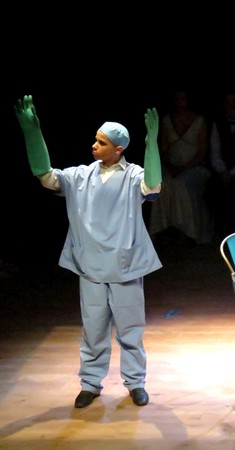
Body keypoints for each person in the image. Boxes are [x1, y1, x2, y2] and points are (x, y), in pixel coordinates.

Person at [14, 95, 163, 408]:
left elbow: (154, 184)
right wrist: (32, 133)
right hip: (91, 265)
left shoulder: (133, 175)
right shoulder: (80, 175)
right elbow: (46, 175)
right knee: (93, 328)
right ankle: (91, 383)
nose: (94, 145)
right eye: (95, 140)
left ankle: (135, 382)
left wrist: (152, 145)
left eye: (102, 142)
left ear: (119, 149)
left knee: (130, 328)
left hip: (124, 264)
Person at [149, 89, 213, 246]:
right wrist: (171, 166)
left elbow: (201, 152)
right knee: (160, 185)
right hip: (172, 166)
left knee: (181, 185)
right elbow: (163, 150)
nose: (180, 103)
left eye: (183, 99)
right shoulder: (166, 121)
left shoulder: (199, 120)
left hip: (194, 167)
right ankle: (162, 229)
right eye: (177, 99)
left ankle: (187, 231)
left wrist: (184, 167)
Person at [208, 92, 235, 240]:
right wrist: (223, 171)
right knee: (214, 189)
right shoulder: (218, 124)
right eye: (228, 102)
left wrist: (232, 173)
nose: (232, 106)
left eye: (234, 101)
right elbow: (215, 151)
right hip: (223, 169)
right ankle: (221, 232)